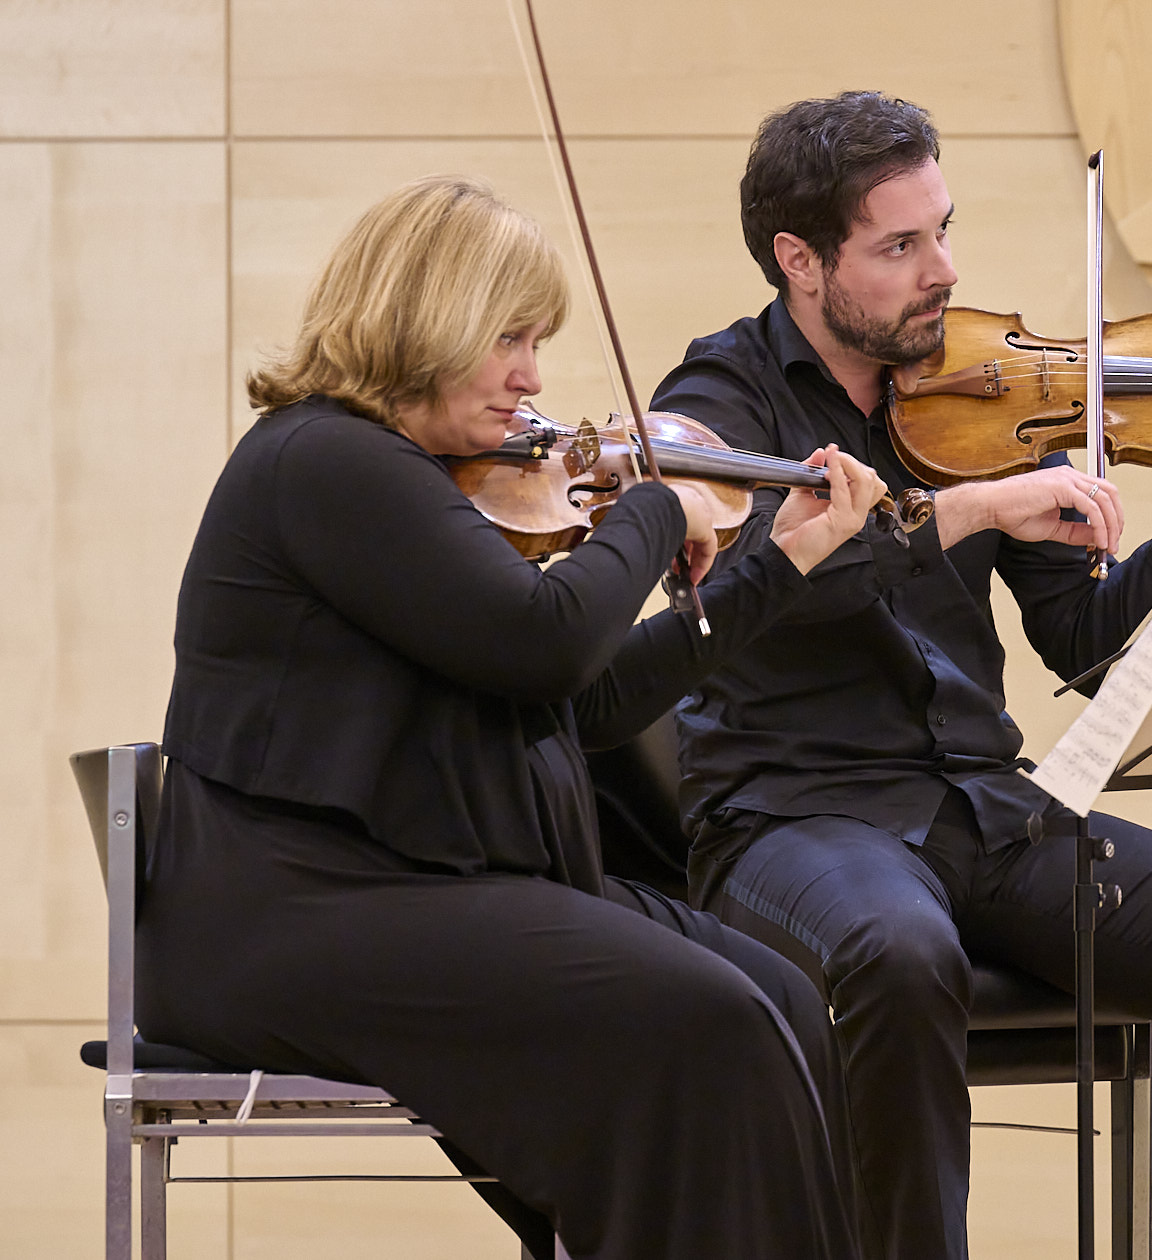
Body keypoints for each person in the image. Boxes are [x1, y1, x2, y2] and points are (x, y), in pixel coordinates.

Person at [650, 92, 1152, 1260]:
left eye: (944, 230)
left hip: (991, 817)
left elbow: (1089, 643)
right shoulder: (718, 403)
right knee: (901, 956)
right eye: (900, 246)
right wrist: (967, 510)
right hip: (794, 817)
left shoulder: (987, 398)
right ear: (800, 260)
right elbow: (751, 588)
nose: (943, 271)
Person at [136, 173, 887, 1260]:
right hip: (295, 909)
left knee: (778, 989)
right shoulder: (326, 459)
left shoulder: (418, 477)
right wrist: (653, 506)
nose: (533, 377)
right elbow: (547, 638)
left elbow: (582, 701)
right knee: (705, 1019)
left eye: (537, 342)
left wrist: (783, 564)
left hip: (411, 883)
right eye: (511, 338)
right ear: (425, 317)